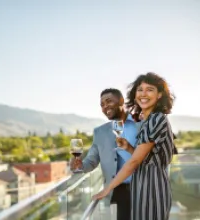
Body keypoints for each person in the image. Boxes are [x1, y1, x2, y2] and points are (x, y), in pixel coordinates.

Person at [92, 73, 176, 220]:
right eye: (140, 89)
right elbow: (146, 158)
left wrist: (108, 188)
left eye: (150, 89)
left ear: (159, 95)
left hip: (152, 190)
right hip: (141, 189)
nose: (143, 94)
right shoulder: (148, 120)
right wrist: (129, 148)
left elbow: (134, 162)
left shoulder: (156, 119)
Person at [70, 88, 138, 220]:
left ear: (121, 101)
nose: (105, 106)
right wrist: (80, 165)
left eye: (109, 101)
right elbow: (91, 161)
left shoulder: (140, 124)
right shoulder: (100, 132)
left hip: (143, 188)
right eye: (102, 104)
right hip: (117, 192)